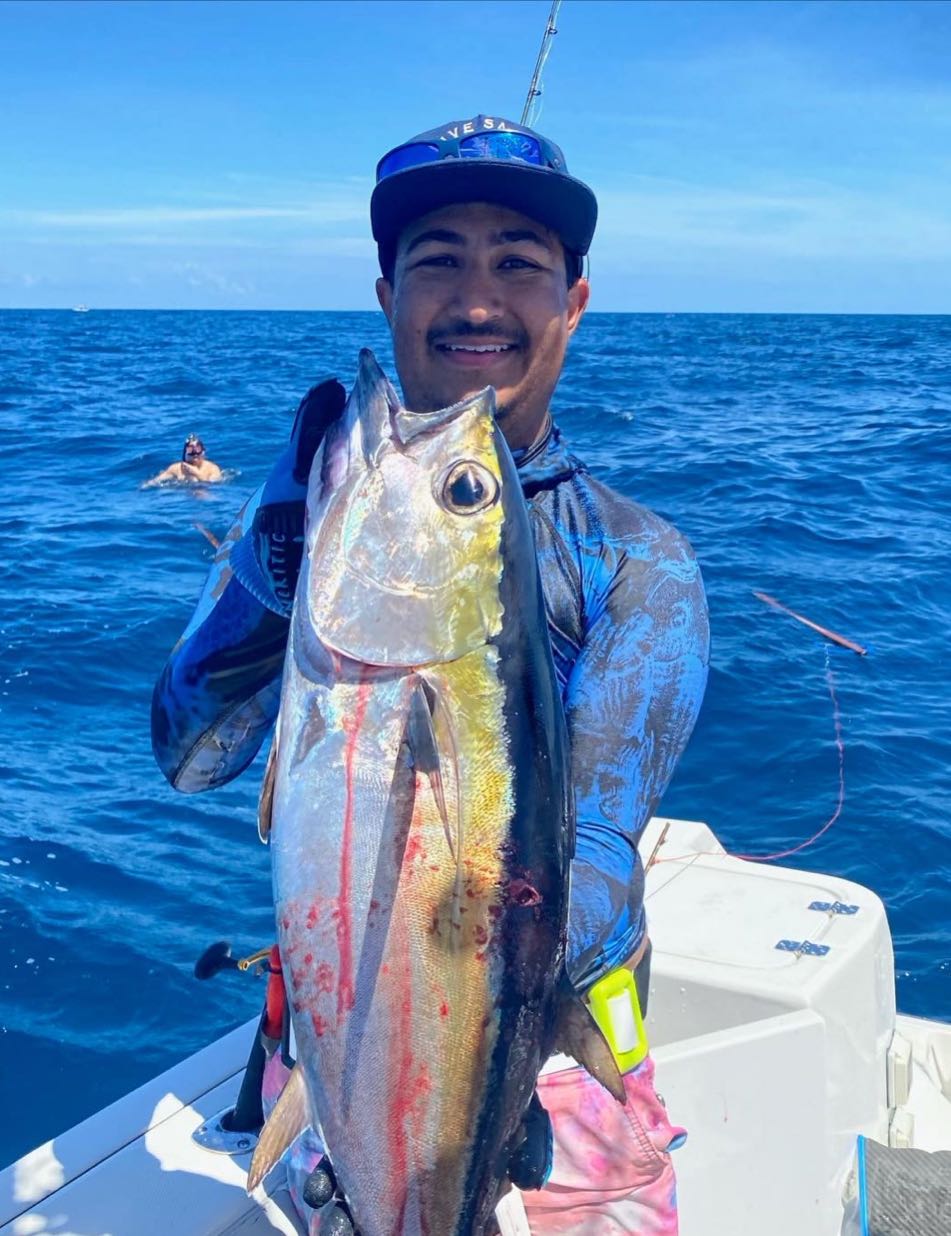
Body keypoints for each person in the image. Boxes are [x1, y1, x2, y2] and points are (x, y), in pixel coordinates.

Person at [151, 115, 709, 1235]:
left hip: (536, 1061)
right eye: (438, 259)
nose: (477, 298)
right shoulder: (331, 524)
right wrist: (275, 567)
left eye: (519, 263)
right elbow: (193, 757)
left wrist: (482, 1075)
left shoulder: (641, 563)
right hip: (340, 1044)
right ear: (387, 294)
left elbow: (589, 858)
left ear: (574, 303)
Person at [143, 434, 223, 486]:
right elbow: (156, 481)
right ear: (185, 453)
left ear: (203, 451)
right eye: (190, 450)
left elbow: (213, 485)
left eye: (198, 449)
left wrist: (196, 473)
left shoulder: (212, 469)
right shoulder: (176, 468)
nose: (195, 453)